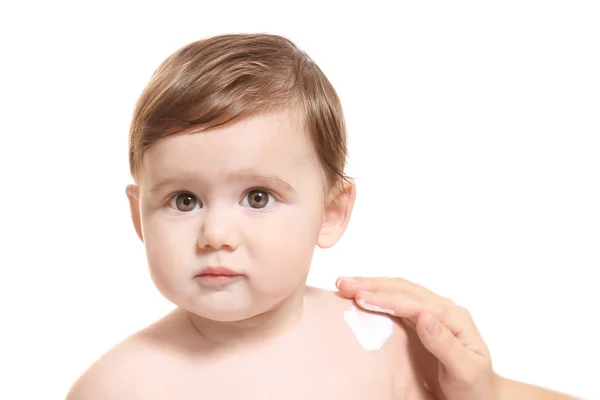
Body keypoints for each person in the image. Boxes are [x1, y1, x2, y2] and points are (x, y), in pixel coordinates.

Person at [65, 33, 578, 400]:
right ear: (138, 217)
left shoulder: (385, 343)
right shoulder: (116, 387)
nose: (215, 235)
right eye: (183, 200)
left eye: (258, 197)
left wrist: (487, 394)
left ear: (331, 212)